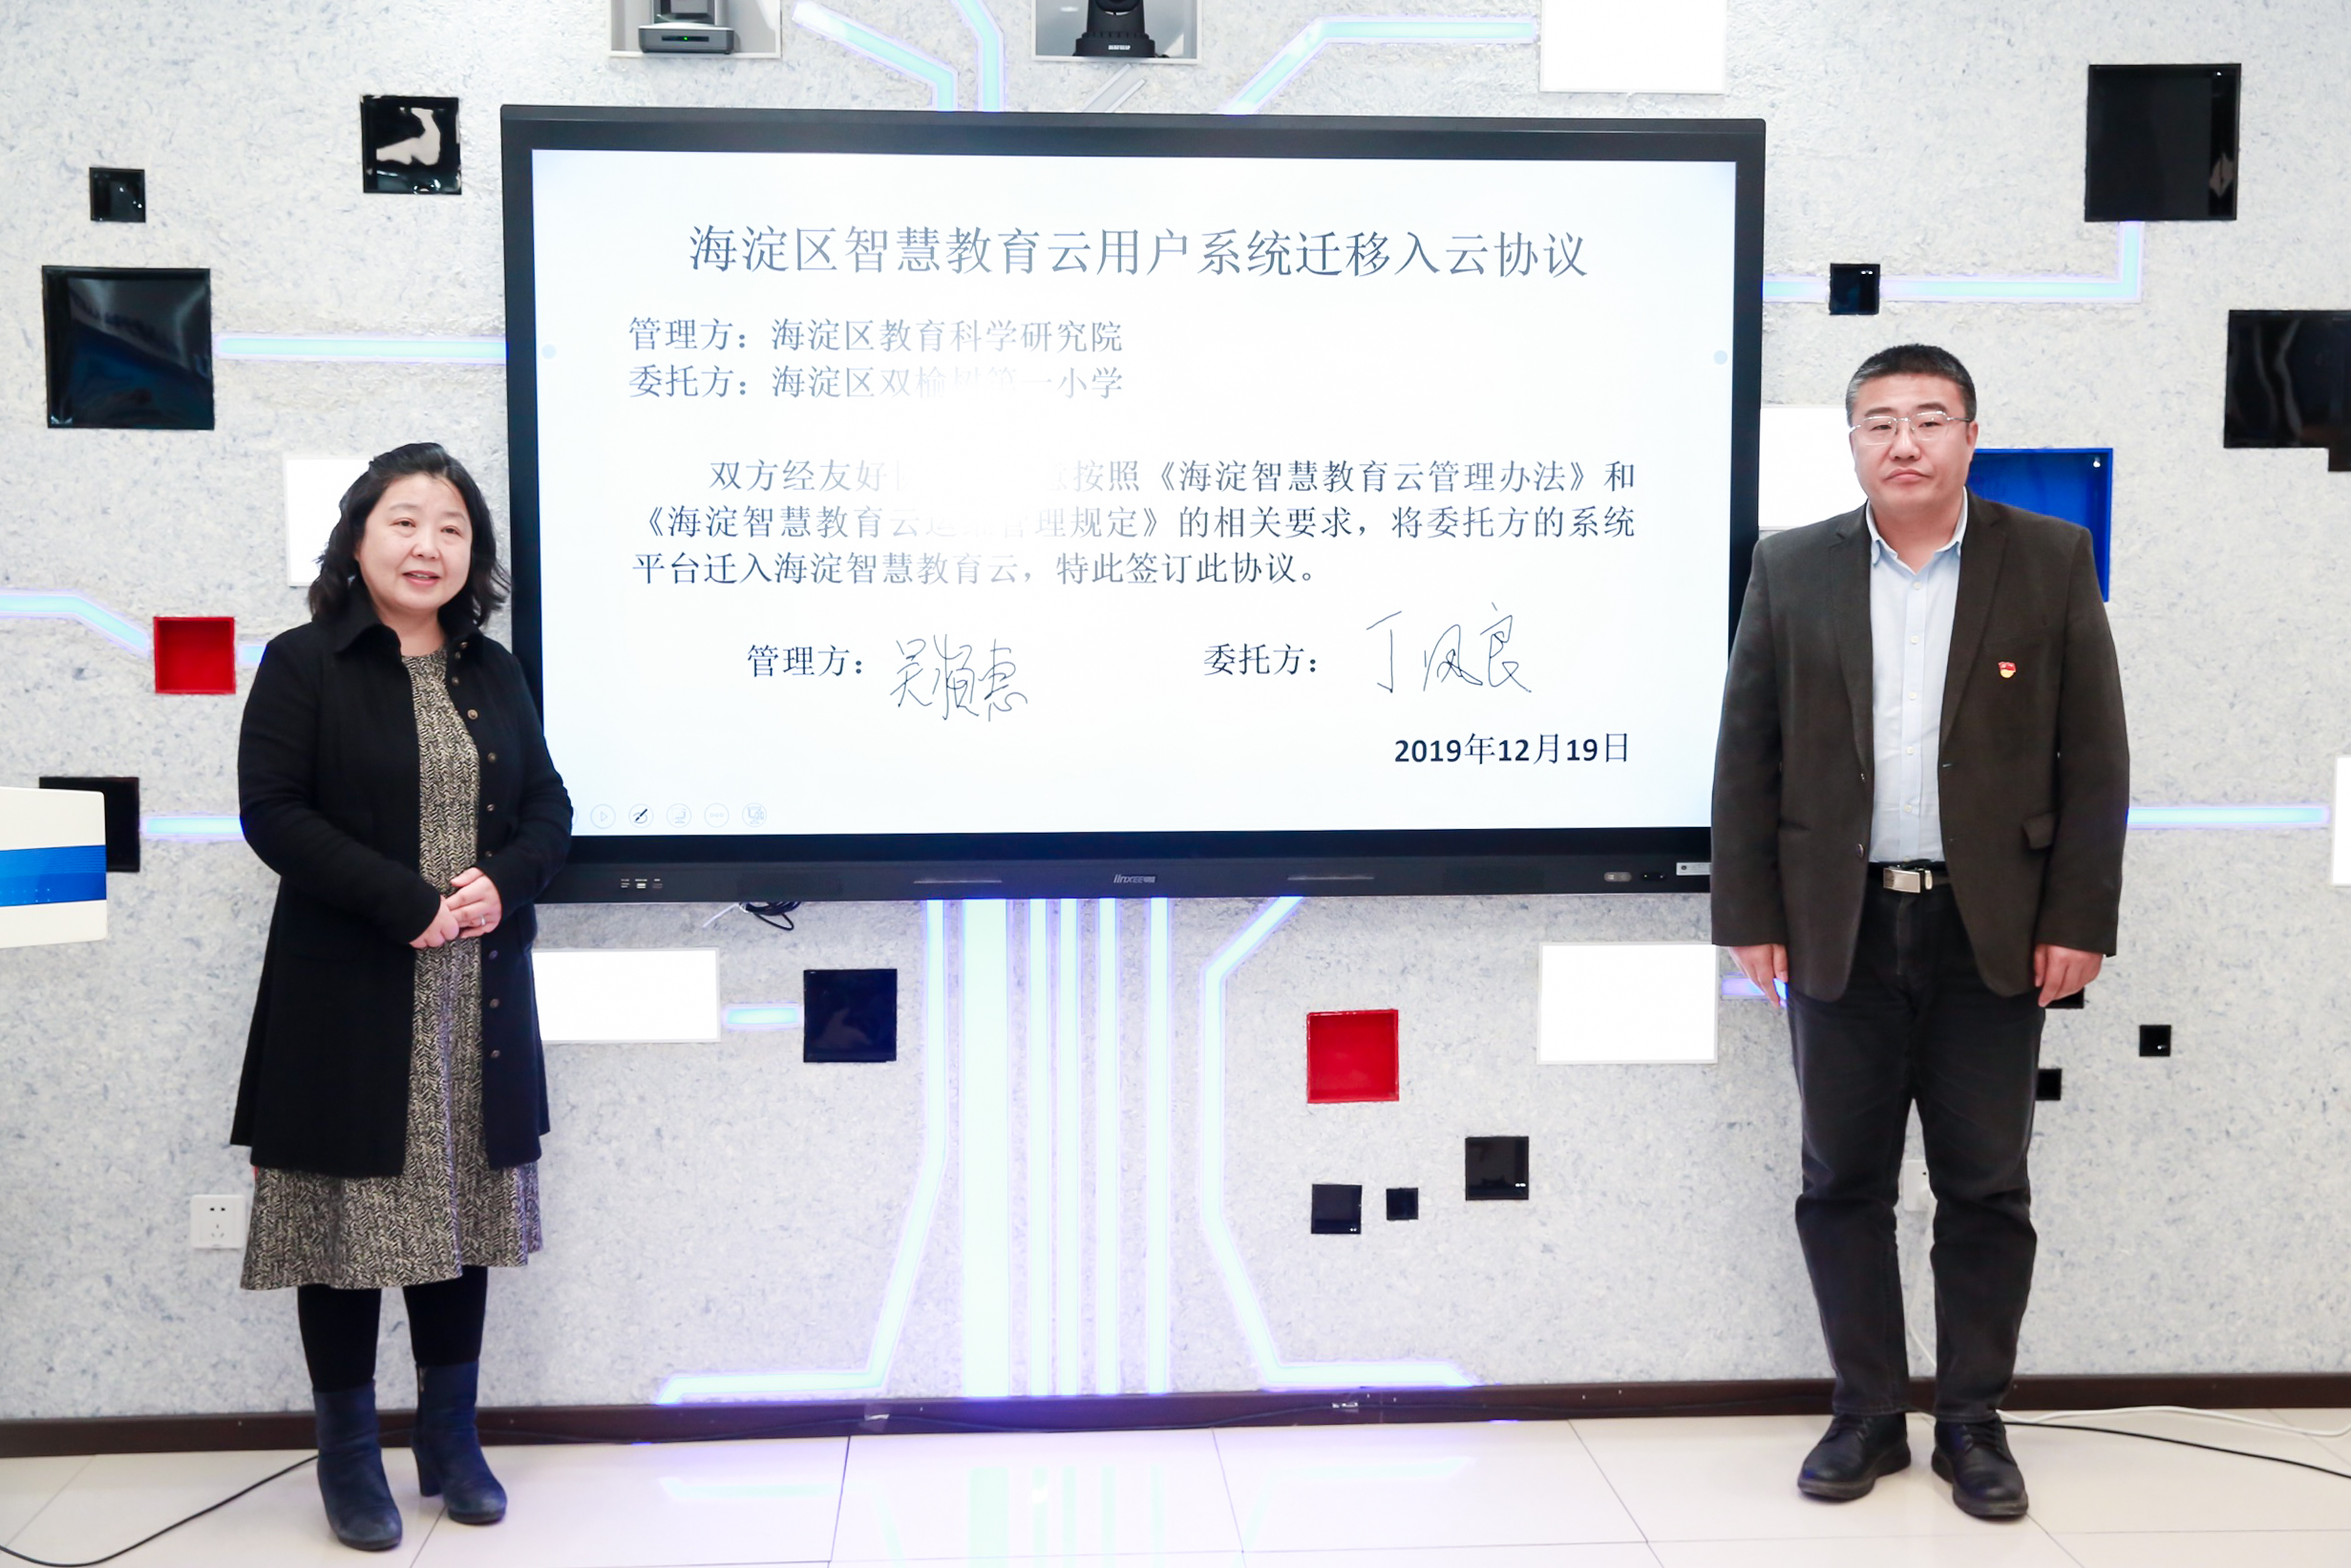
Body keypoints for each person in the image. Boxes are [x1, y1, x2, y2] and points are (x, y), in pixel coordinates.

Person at [1712, 346, 2128, 1519]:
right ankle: (1864, 1412)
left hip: (1989, 927)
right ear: (1850, 441)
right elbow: (1746, 752)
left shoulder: (2046, 558)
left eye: (1928, 419)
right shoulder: (1788, 565)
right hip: (1833, 923)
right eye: (1879, 421)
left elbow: (2093, 754)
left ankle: (1970, 1420)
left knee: (1984, 1185)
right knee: (1839, 1179)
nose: (1903, 442)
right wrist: (1749, 913)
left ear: (1968, 436)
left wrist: (2076, 916)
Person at [232, 443, 571, 1552]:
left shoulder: (494, 670)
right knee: (344, 1228)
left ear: (475, 553)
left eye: (452, 528)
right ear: (358, 537)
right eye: (405, 522)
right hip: (350, 993)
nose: (428, 546)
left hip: (475, 996)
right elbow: (273, 812)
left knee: (459, 1216)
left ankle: (448, 1437)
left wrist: (501, 883)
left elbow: (550, 808)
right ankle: (346, 1455)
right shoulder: (303, 662)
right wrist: (406, 902)